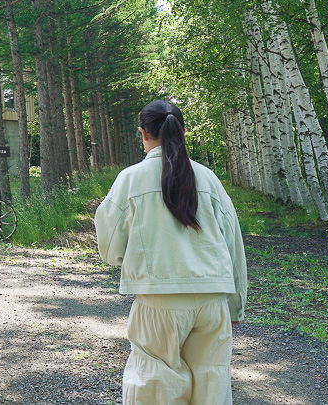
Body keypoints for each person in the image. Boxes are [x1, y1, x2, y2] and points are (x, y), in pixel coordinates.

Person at [95, 100, 247, 405]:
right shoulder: (209, 180)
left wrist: (137, 262)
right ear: (183, 132)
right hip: (212, 299)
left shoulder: (131, 179)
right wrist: (234, 306)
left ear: (143, 134)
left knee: (156, 386)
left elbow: (110, 246)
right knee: (211, 385)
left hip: (159, 301)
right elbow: (233, 247)